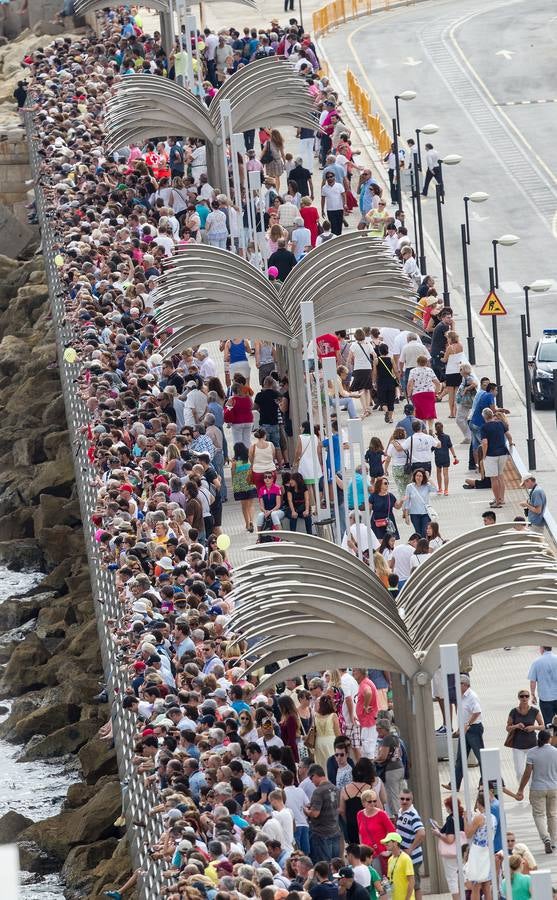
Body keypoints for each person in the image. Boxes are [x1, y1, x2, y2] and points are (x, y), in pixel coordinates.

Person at [516, 729, 557, 853]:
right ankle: (554, 841)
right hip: (554, 787)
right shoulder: (555, 752)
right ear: (549, 738)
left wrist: (520, 790)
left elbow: (527, 773)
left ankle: (546, 839)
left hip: (537, 788)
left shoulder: (532, 752)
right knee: (552, 814)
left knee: (539, 815)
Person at [443, 674, 484, 791]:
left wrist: (468, 725)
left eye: (459, 683)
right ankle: (454, 784)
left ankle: (484, 783)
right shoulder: (461, 696)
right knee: (460, 758)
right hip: (465, 729)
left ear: (466, 685)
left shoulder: (472, 696)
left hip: (473, 729)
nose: (457, 686)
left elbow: (477, 712)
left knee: (481, 757)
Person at [339, 759, 386, 843]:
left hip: (352, 826)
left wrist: (348, 820)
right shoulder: (369, 788)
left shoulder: (345, 789)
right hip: (369, 825)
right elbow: (380, 808)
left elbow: (342, 811)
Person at [305, 764, 342, 863]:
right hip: (335, 830)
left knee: (325, 865)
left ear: (315, 775)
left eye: (311, 778)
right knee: (336, 864)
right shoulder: (335, 788)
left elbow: (315, 813)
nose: (311, 781)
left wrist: (306, 810)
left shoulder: (318, 791)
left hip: (322, 833)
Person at [463, 792, 497, 900]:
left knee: (476, 885)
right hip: (488, 850)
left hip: (478, 852)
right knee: (486, 885)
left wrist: (465, 820)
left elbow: (468, 833)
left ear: (478, 803)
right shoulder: (492, 817)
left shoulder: (479, 818)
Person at [431, 796, 465, 900]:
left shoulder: (451, 819)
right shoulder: (460, 817)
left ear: (450, 807)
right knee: (462, 877)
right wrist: (439, 828)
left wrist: (438, 834)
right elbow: (448, 830)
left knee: (452, 879)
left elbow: (450, 839)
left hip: (451, 854)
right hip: (462, 851)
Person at [506, 689, 544, 782]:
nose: (524, 698)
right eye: (522, 696)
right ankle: (521, 789)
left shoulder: (534, 711)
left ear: (529, 697)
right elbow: (508, 728)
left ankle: (532, 789)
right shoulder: (513, 711)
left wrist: (533, 727)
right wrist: (516, 726)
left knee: (533, 770)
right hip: (518, 746)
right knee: (519, 771)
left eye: (527, 696)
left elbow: (542, 726)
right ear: (519, 698)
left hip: (532, 745)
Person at [480, 407, 513, 509]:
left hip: (491, 455)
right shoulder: (500, 423)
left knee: (494, 479)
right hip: (503, 453)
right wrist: (511, 444)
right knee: (500, 476)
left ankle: (497, 501)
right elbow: (508, 436)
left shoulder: (484, 427)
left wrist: (484, 455)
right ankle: (501, 498)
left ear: (484, 417)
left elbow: (485, 443)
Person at [396, 790, 424, 900]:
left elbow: (421, 833)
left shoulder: (413, 815)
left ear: (412, 800)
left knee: (415, 885)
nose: (404, 801)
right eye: (402, 798)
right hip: (405, 856)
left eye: (407, 799)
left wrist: (410, 848)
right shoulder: (401, 811)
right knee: (409, 884)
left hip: (413, 857)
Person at [356, 790, 392, 875]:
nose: (373, 803)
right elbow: (360, 833)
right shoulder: (360, 814)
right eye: (369, 801)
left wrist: (388, 850)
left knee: (379, 878)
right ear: (363, 803)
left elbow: (392, 831)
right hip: (365, 854)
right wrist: (361, 849)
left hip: (378, 852)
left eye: (374, 801)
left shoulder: (381, 814)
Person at [375, 721, 405, 817]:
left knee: (393, 797)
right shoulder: (395, 738)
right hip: (400, 767)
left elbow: (383, 757)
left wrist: (373, 760)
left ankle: (398, 818)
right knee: (400, 794)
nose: (377, 730)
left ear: (384, 729)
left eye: (379, 728)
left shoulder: (387, 739)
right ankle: (403, 815)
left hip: (391, 770)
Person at [406, 356, 441, 431]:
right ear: (426, 362)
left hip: (417, 394)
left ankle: (423, 429)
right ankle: (431, 429)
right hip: (429, 393)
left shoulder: (413, 371)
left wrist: (409, 394)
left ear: (417, 362)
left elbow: (410, 384)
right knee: (430, 411)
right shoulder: (429, 370)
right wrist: (436, 392)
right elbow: (437, 383)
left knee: (420, 413)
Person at [402, 468, 437, 538]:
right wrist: (406, 516)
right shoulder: (409, 487)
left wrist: (429, 478)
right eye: (417, 475)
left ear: (423, 477)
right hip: (414, 514)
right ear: (414, 476)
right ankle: (420, 547)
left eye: (420, 476)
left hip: (425, 514)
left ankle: (424, 546)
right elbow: (407, 502)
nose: (418, 477)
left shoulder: (427, 486)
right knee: (418, 532)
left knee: (424, 532)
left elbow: (435, 489)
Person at [231, 442, 257, 533]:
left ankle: (247, 524)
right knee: (251, 505)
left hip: (240, 486)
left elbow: (233, 473)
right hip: (250, 484)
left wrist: (233, 485)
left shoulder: (235, 462)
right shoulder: (249, 460)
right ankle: (251, 521)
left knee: (244, 507)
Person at [381, 832, 415, 900]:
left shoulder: (405, 859)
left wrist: (407, 899)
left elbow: (411, 881)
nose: (385, 844)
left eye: (388, 842)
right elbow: (391, 879)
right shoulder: (390, 859)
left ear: (395, 843)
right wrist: (386, 882)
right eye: (385, 842)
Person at [348, 329, 375, 418]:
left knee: (361, 390)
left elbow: (349, 358)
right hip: (367, 368)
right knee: (367, 389)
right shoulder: (368, 344)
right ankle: (367, 408)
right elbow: (374, 355)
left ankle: (364, 409)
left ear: (355, 336)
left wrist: (350, 365)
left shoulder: (354, 345)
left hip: (358, 368)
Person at [353, 668, 379, 759]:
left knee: (368, 750)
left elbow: (368, 692)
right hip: (367, 720)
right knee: (367, 748)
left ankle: (371, 770)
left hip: (368, 720)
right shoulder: (365, 682)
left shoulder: (364, 683)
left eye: (355, 670)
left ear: (361, 672)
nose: (353, 672)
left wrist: (365, 706)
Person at [529, 646, 557, 725]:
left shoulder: (537, 662)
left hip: (545, 698)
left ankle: (550, 737)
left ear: (542, 648)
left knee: (548, 723)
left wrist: (533, 695)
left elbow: (533, 681)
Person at [369, 477, 403, 542]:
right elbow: (369, 510)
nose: (387, 485)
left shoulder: (390, 496)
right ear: (379, 485)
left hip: (388, 522)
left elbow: (397, 507)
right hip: (377, 522)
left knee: (390, 542)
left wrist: (401, 501)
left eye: (387, 483)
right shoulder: (373, 496)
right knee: (379, 543)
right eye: (385, 483)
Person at [441, 331, 466, 417]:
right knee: (457, 394)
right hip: (459, 371)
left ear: (451, 338)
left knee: (451, 395)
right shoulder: (461, 346)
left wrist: (441, 358)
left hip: (450, 372)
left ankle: (451, 413)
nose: (447, 339)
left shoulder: (449, 348)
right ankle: (456, 411)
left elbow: (445, 360)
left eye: (448, 338)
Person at [313, 695, 341, 770]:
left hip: (318, 742)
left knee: (321, 765)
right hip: (331, 742)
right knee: (332, 765)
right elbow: (338, 733)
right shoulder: (333, 716)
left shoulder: (316, 716)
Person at [373, 343, 398, 424]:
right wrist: (398, 380)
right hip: (390, 381)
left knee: (382, 399)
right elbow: (396, 371)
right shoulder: (391, 359)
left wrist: (374, 382)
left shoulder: (376, 360)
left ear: (379, 351)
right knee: (391, 400)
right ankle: (390, 419)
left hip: (381, 382)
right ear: (387, 350)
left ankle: (386, 410)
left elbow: (375, 373)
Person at [255, 472, 283, 538]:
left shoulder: (277, 488)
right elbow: (261, 506)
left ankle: (281, 537)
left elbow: (278, 505)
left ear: (273, 479)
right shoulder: (261, 489)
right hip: (266, 511)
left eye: (269, 477)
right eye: (265, 477)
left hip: (278, 510)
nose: (267, 479)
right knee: (259, 516)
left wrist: (270, 511)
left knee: (274, 514)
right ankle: (259, 537)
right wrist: (265, 511)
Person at [433, 421, 457, 495]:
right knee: (445, 473)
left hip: (438, 457)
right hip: (445, 457)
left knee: (438, 472)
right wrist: (454, 456)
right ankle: (446, 490)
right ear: (442, 428)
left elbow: (431, 448)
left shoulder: (434, 438)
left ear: (435, 429)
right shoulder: (447, 437)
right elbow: (451, 447)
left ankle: (440, 489)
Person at [321, 170, 346, 235]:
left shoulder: (339, 185)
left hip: (339, 209)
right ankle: (335, 240)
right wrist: (322, 210)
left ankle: (339, 238)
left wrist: (345, 204)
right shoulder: (324, 188)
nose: (329, 178)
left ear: (334, 177)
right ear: (326, 179)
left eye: (331, 176)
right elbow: (323, 199)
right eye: (328, 177)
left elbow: (343, 195)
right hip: (330, 210)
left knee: (339, 226)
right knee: (333, 226)